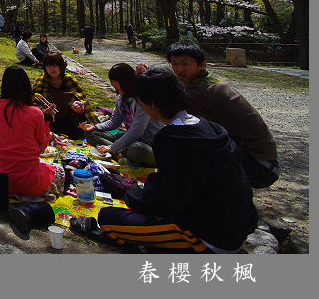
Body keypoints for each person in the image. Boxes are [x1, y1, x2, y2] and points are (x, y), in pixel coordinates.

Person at [72, 67, 258, 254]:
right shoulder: (208, 126)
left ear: (152, 104)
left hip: (209, 236)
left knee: (107, 218)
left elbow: (166, 200)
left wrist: (132, 194)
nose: (141, 107)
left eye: (142, 102)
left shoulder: (173, 139)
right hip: (234, 225)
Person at [148, 42, 279, 189]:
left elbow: (166, 112)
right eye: (174, 64)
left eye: (185, 64)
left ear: (202, 64)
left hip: (259, 165)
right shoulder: (206, 81)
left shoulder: (202, 91)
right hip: (263, 161)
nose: (179, 69)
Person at [0, 66, 64, 205]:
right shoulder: (35, 113)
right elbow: (42, 146)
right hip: (28, 182)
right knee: (59, 170)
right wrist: (46, 121)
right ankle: (34, 196)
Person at [79, 63, 162, 168]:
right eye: (112, 82)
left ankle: (119, 153)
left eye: (115, 82)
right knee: (91, 133)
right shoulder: (122, 98)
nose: (114, 85)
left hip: (147, 143)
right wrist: (95, 126)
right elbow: (114, 122)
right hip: (129, 140)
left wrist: (112, 147)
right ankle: (120, 155)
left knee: (137, 148)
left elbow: (137, 131)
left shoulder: (143, 99)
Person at [32, 51, 98, 139]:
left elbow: (83, 100)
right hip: (50, 122)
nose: (52, 69)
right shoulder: (40, 81)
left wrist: (79, 107)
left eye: (55, 65)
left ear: (61, 66)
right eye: (48, 66)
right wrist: (44, 111)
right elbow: (33, 105)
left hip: (71, 121)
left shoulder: (69, 79)